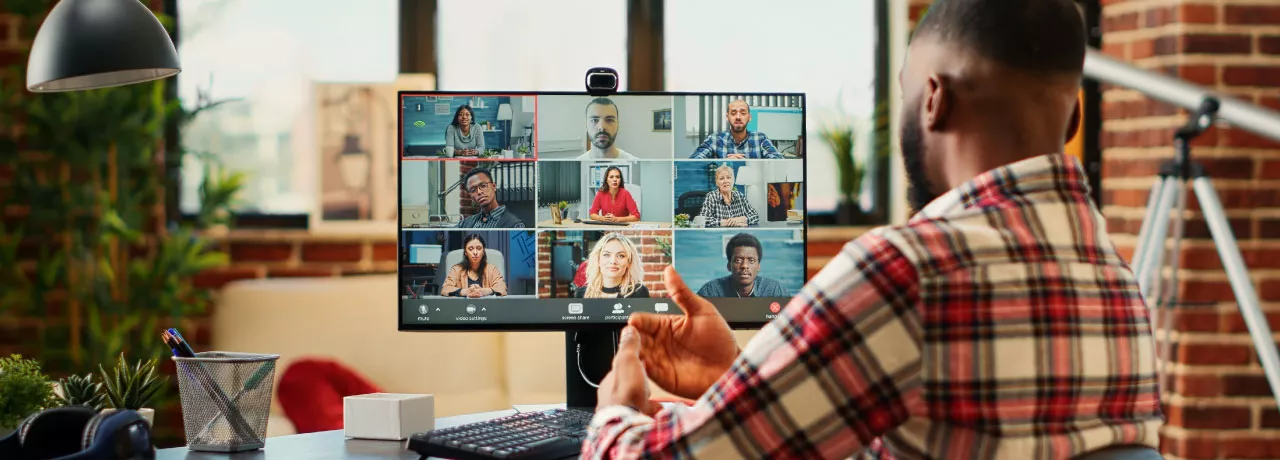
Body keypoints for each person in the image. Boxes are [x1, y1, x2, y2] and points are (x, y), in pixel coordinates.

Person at [582, 1, 1163, 459]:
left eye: (907, 89)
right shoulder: (1118, 286)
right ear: (1075, 119)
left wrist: (615, 412)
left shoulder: (909, 271)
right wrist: (738, 380)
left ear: (933, 99)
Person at [696, 233, 788, 298]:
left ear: (759, 266)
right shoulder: (710, 292)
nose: (744, 266)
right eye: (738, 260)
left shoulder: (775, 291)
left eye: (751, 260)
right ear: (729, 265)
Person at [688, 99, 783, 159]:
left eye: (743, 113)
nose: (738, 117)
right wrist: (724, 164)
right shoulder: (715, 139)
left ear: (749, 117)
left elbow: (778, 162)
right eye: (733, 113)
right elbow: (693, 162)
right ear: (727, 117)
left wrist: (747, 165)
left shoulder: (760, 139)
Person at [575, 232, 650, 299]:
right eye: (607, 255)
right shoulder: (581, 294)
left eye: (621, 256)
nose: (613, 261)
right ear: (598, 260)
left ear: (629, 262)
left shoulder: (639, 292)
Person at [440, 233, 507, 298]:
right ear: (466, 252)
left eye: (479, 248)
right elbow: (445, 289)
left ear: (483, 251)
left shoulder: (492, 269)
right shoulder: (456, 269)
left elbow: (502, 288)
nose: (475, 252)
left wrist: (484, 291)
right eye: (471, 249)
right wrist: (465, 292)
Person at [456, 168, 525, 228]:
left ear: (494, 186)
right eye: (473, 190)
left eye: (483, 185)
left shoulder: (514, 224)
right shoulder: (466, 223)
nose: (479, 192)